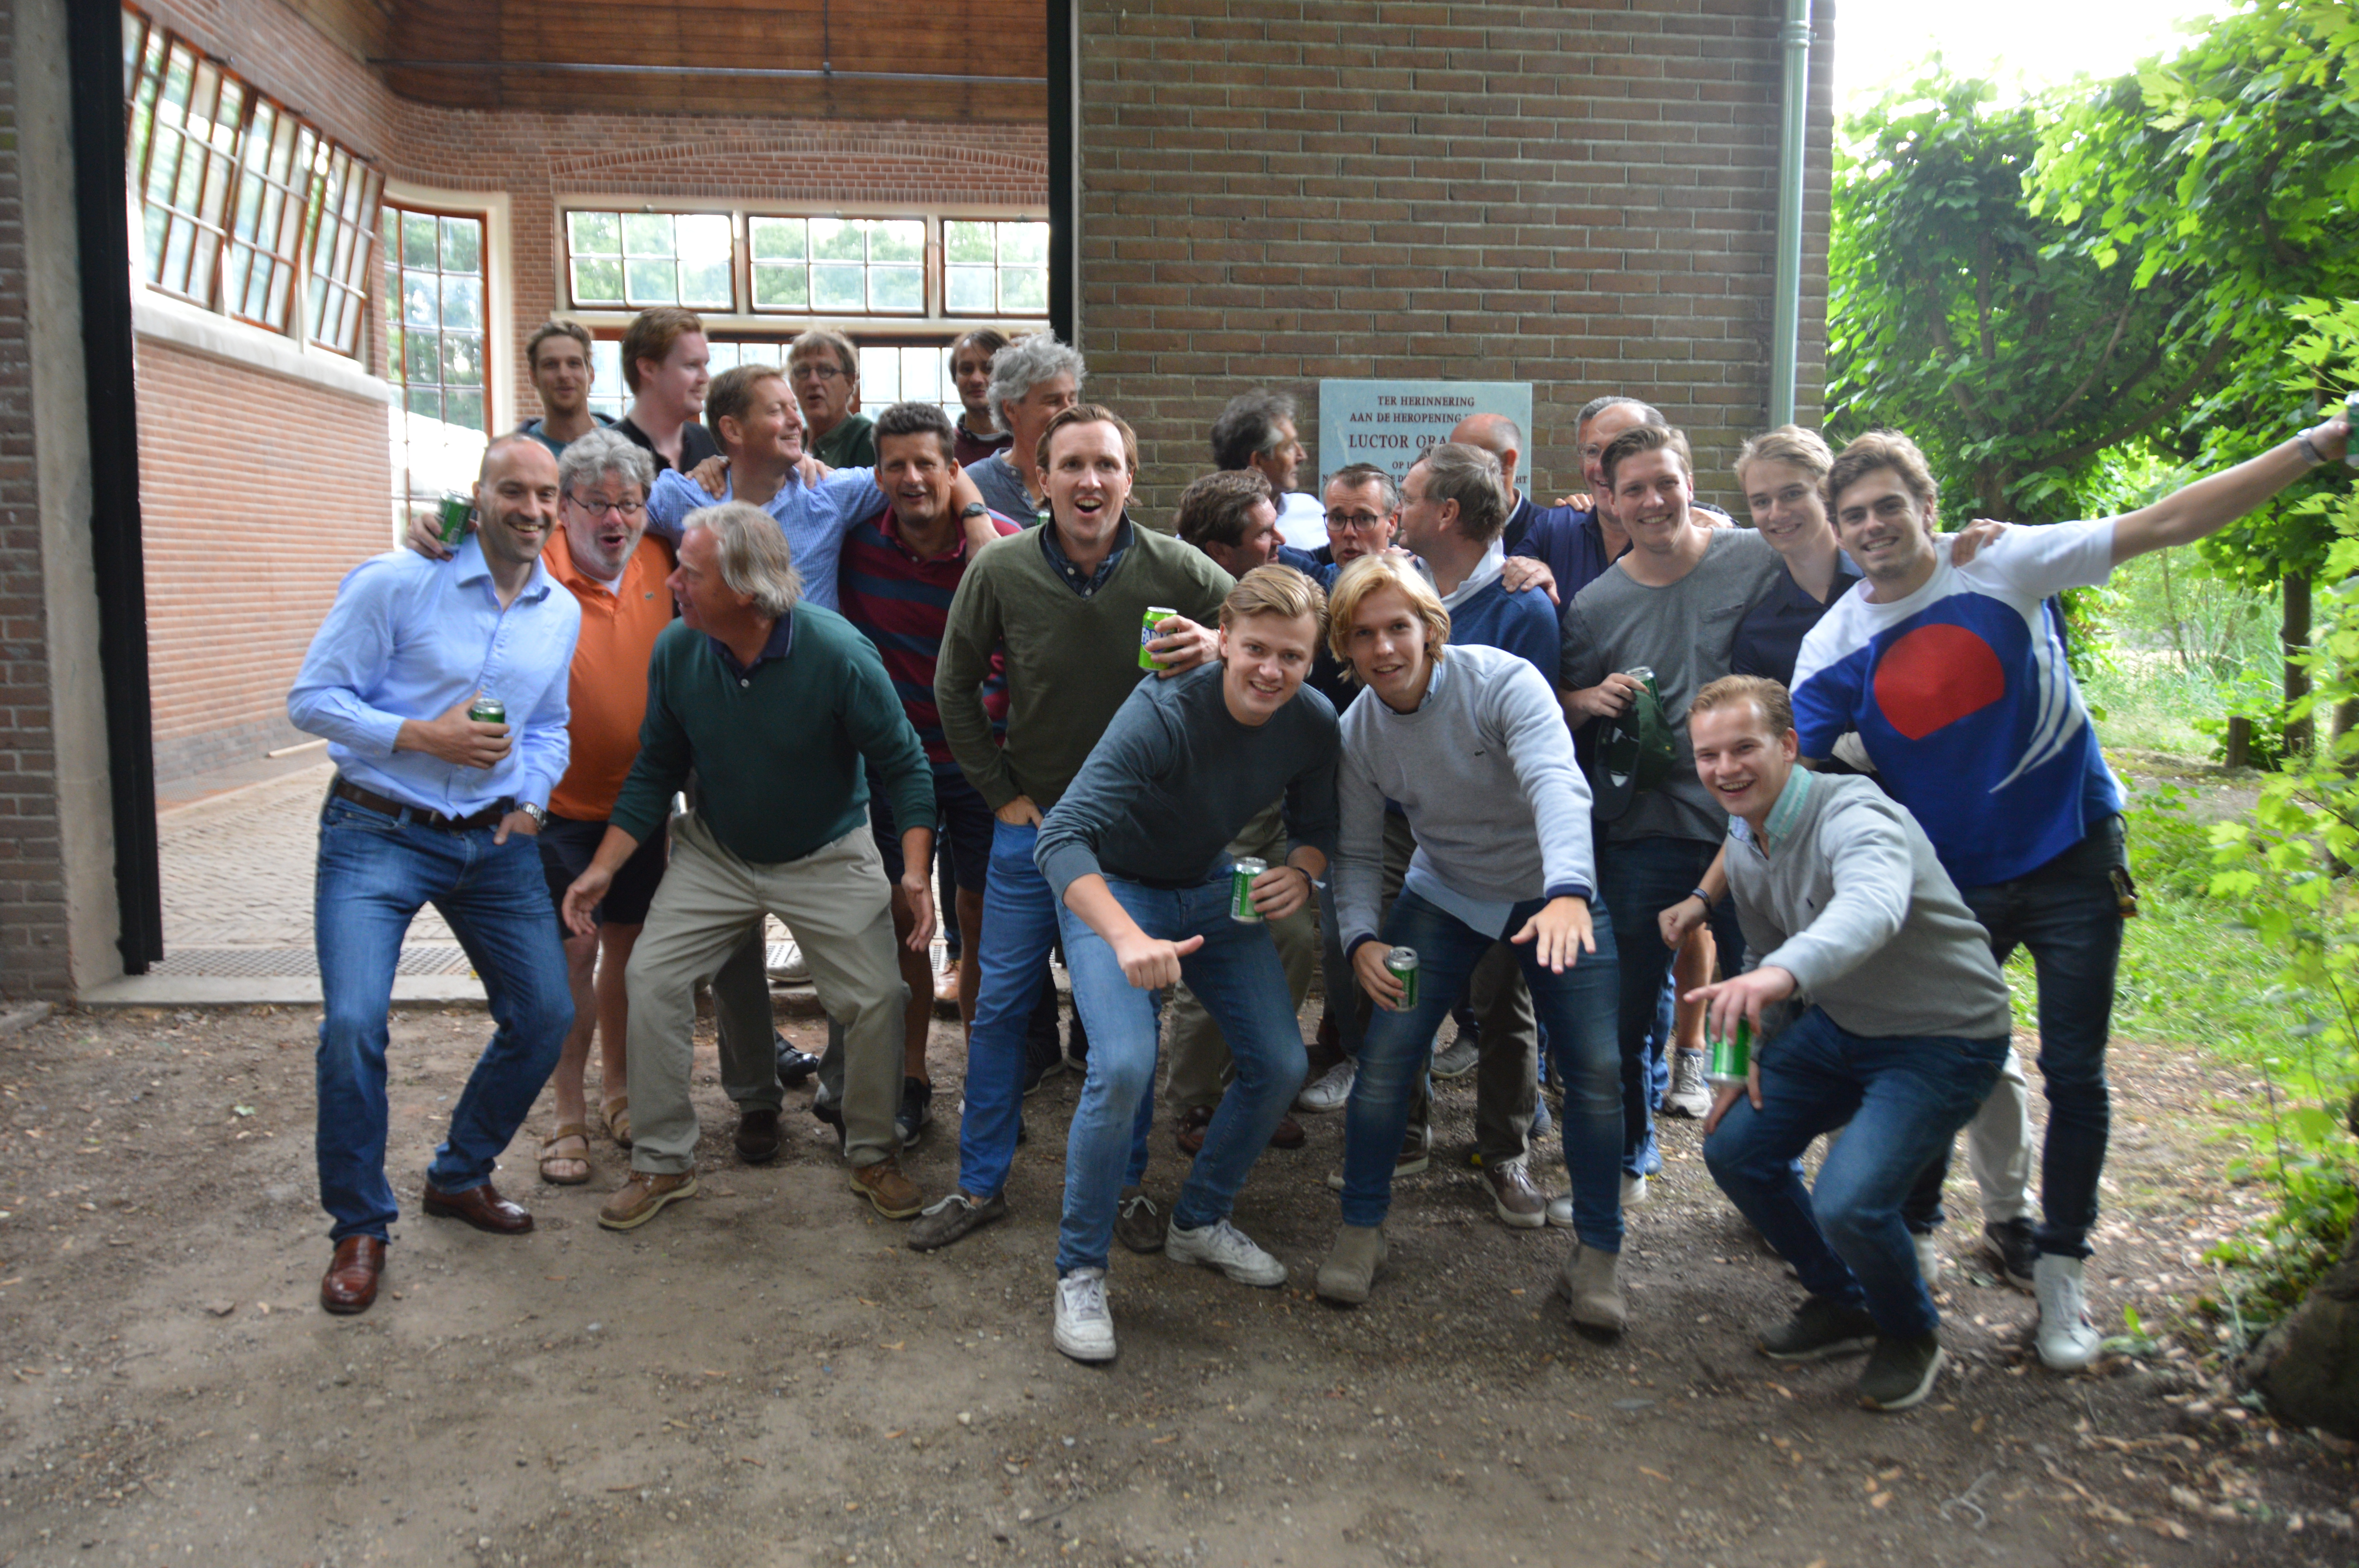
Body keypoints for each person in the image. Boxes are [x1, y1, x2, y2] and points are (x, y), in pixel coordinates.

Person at [1789, 409, 2355, 1370]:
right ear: (1836, 532)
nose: (1873, 525)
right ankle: (1911, 1246)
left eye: (1891, 505)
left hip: (2070, 856)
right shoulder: (1831, 645)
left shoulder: (2003, 565)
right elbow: (1800, 780)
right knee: (1926, 1059)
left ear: (1930, 507)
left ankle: (2061, 1275)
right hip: (1951, 889)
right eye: (1854, 515)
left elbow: (2165, 523)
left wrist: (2313, 446)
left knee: (2076, 1071)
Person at [565, 501, 936, 1230]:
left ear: (745, 588)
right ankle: (663, 1163)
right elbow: (654, 771)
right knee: (652, 977)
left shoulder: (836, 652)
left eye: (691, 573)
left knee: (877, 998)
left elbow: (906, 767)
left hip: (828, 850)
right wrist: (604, 867)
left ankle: (870, 1150)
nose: (672, 582)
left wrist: (916, 873)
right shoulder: (678, 651)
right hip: (720, 851)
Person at [1723, 425, 2036, 1286]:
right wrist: (1717, 875)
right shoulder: (1779, 614)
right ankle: (1893, 1221)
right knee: (1856, 1021)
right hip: (1842, 840)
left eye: (1795, 493)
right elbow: (1781, 761)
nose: (1780, 511)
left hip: (1948, 838)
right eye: (1763, 499)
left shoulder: (1920, 564)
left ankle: (2006, 1213)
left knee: (1971, 1034)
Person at [916, 403, 1234, 1253]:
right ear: (1040, 479)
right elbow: (952, 689)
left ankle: (1126, 1186)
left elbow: (1280, 630)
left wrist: (1219, 640)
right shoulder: (1002, 569)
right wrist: (998, 793)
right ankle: (979, 1181)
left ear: (1131, 477)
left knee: (1121, 1023)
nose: (1088, 482)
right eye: (1070, 466)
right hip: (1032, 828)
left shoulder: (1179, 567)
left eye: (1106, 465)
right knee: (999, 1012)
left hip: (1131, 844)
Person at [288, 435, 582, 1316]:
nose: (532, 509)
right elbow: (312, 699)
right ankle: (359, 1226)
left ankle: (459, 1174)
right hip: (376, 828)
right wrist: (422, 735)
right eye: (514, 492)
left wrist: (530, 799)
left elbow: (549, 724)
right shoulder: (394, 580)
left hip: (493, 841)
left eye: (546, 496)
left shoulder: (556, 611)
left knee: (545, 1014)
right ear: (479, 496)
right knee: (351, 1024)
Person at [1034, 565, 1341, 1361]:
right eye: (1254, 649)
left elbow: (1317, 826)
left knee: (1278, 1065)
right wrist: (1126, 938)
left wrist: (1302, 869)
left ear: (1314, 658)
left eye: (1292, 656)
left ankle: (1198, 1219)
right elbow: (1059, 838)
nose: (1270, 669)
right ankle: (1078, 1270)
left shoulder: (1311, 719)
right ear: (1223, 643)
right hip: (1119, 890)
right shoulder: (1164, 711)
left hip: (1209, 886)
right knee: (1126, 1064)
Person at [1685, 675, 2016, 1412]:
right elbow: (1758, 954)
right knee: (1735, 1149)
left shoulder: (1856, 813)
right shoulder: (1745, 838)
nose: (1726, 770)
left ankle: (1910, 1331)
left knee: (1850, 1201)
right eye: (1708, 756)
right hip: (1844, 1028)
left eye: (1744, 748)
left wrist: (1781, 975)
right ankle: (1844, 1302)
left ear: (1789, 746)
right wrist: (1743, 1062)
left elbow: (1871, 907)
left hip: (1944, 1037)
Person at [1312, 555, 1623, 1326]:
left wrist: (1565, 892)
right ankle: (1361, 1227)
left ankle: (1596, 1253)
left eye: (1398, 627)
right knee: (1384, 1056)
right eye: (1362, 634)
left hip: (1552, 890)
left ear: (1431, 628)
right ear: (1343, 648)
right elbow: (1352, 849)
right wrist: (1358, 940)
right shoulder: (1357, 730)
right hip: (1443, 889)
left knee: (1594, 1065)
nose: (1384, 648)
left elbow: (1557, 781)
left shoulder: (1501, 682)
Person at [1559, 423, 1781, 1196]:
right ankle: (1628, 1156)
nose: (1651, 500)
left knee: (1760, 1007)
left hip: (1754, 830)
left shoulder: (1753, 557)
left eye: (1664, 481)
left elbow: (1842, 545)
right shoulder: (1595, 604)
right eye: (1632, 490)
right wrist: (1584, 698)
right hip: (1644, 835)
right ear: (1607, 501)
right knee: (1620, 1014)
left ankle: (1763, 1168)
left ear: (1690, 481)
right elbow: (1563, 706)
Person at [835, 401, 1024, 1147]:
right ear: (876, 474)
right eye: (896, 465)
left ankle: (985, 1078)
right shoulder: (855, 545)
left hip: (984, 766)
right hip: (891, 768)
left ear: (954, 469)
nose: (912, 479)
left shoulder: (1002, 548)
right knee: (904, 925)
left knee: (981, 924)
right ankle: (912, 1077)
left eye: (927, 464)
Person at [1388, 442, 1558, 1224]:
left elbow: (1518, 740)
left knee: (1501, 998)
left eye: (1410, 495)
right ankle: (1404, 1129)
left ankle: (1505, 1151)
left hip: (1491, 845)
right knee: (1403, 985)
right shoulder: (1395, 584)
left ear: (1446, 512)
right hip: (1403, 826)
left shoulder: (1522, 607)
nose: (1400, 505)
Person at [1162, 471, 1316, 1157]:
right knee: (1213, 947)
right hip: (1193, 821)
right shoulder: (1169, 606)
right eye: (1263, 533)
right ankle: (1194, 1102)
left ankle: (1254, 1085)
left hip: (1267, 819)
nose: (1281, 541)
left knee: (1290, 940)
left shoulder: (1286, 585)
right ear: (1222, 553)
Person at [531, 429, 672, 1179]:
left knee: (627, 948)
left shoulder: (661, 561)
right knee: (573, 954)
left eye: (631, 503)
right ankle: (566, 1114)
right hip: (557, 805)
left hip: (640, 807)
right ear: (565, 510)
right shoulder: (536, 566)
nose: (616, 519)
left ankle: (619, 1092)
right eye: (599, 505)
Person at [967, 334, 1084, 523]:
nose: (1069, 410)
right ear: (1011, 409)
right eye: (1053, 401)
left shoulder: (1090, 479)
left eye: (1072, 399)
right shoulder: (974, 484)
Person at [1210, 388, 1326, 550]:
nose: (1302, 456)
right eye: (1289, 448)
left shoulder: (1312, 512)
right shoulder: (1204, 531)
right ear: (1258, 461)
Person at [612, 307, 718, 475]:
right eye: (691, 365)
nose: (706, 378)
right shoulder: (604, 455)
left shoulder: (712, 447)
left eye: (705, 365)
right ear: (648, 369)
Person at [518, 320, 612, 456]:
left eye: (574, 364)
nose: (564, 375)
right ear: (533, 377)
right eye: (551, 365)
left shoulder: (629, 446)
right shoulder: (516, 455)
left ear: (591, 374)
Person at [789, 328, 876, 468]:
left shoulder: (869, 441)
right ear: (792, 383)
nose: (813, 381)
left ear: (849, 382)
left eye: (825, 371)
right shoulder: (790, 445)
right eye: (803, 371)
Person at [949, 328, 1014, 466]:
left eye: (988, 369)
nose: (976, 380)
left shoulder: (1032, 446)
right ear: (955, 379)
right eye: (967, 370)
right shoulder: (943, 449)